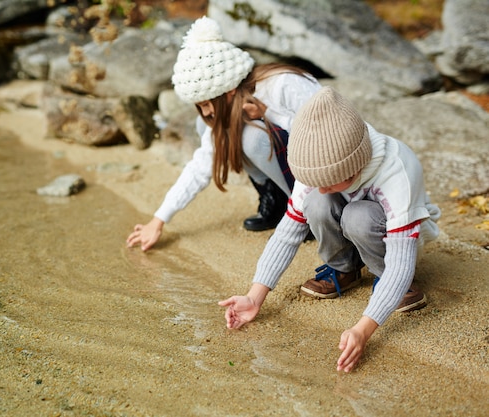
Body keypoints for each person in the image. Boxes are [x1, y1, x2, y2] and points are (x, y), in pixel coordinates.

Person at [218, 86, 441, 373]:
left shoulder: (397, 169)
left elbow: (401, 259)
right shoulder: (317, 161)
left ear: (354, 167)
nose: (320, 188)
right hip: (354, 215)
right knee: (317, 203)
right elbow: (287, 234)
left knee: (358, 217)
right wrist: (254, 296)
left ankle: (390, 284)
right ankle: (344, 268)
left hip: (400, 239)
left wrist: (363, 329)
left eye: (329, 182)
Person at [126, 16, 321, 251]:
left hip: (318, 171)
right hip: (289, 162)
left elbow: (323, 133)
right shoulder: (231, 102)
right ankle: (276, 199)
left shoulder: (282, 85)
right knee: (209, 126)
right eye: (199, 105)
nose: (205, 110)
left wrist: (268, 113)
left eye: (208, 103)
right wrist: (158, 220)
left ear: (228, 90)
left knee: (252, 138)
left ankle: (304, 211)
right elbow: (200, 167)